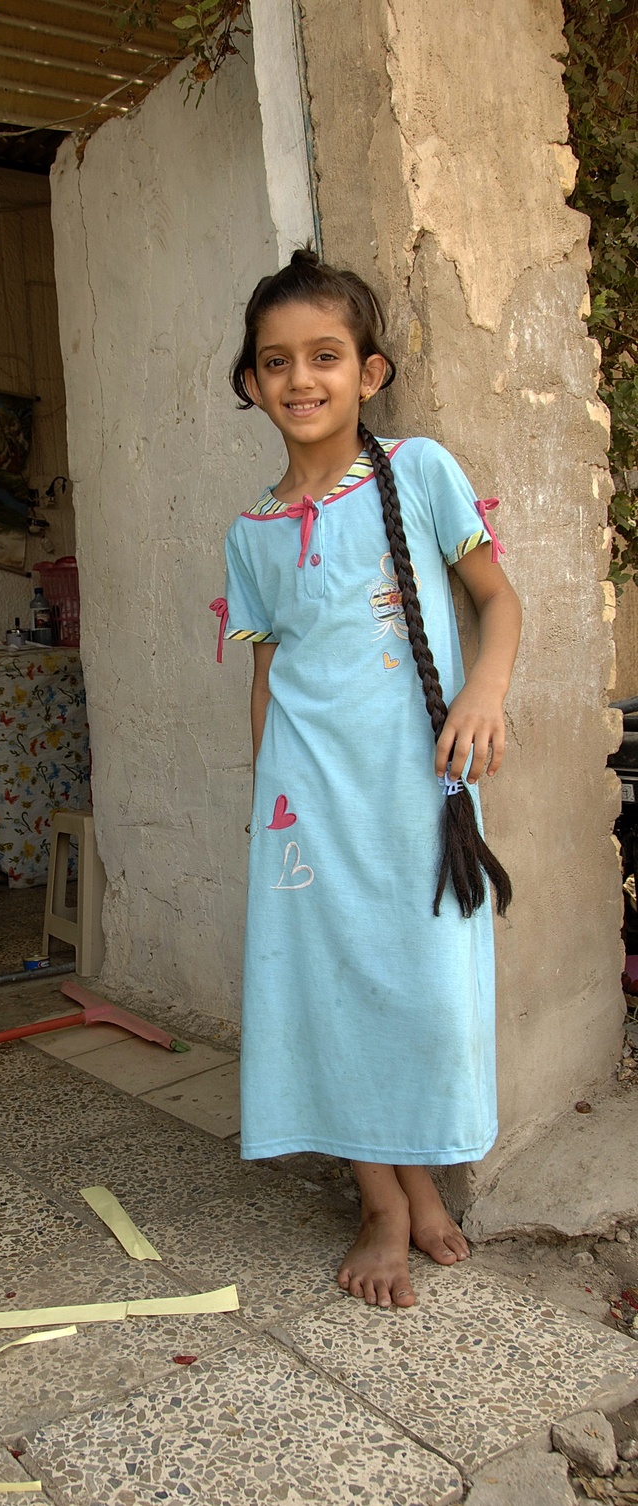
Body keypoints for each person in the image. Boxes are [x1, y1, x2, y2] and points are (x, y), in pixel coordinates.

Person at [211, 250, 522, 1310]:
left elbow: (499, 601)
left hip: (415, 792)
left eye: (325, 357)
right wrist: (268, 806)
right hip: (305, 805)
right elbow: (267, 676)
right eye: (275, 361)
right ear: (249, 382)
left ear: (369, 371)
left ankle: (423, 1177)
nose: (301, 379)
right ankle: (382, 1203)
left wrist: (483, 693)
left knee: (421, 989)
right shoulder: (249, 537)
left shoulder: (420, 473)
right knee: (328, 991)